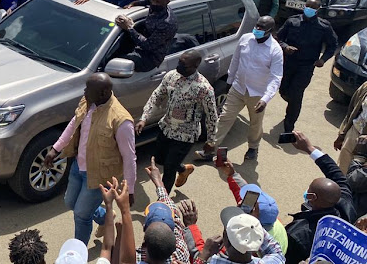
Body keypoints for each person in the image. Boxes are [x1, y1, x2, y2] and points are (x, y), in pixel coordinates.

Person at [43, 73, 136, 245]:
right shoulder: (87, 102)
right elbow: (73, 124)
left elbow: (129, 157)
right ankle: (105, 217)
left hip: (99, 177)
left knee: (81, 215)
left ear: (103, 93)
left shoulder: (121, 121)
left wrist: (129, 190)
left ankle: (79, 252)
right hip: (78, 167)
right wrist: (55, 149)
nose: (84, 91)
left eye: (88, 89)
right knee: (70, 203)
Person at [197, 16, 283, 162]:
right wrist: (230, 81)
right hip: (238, 88)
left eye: (262, 28)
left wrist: (265, 99)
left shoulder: (275, 50)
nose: (258, 30)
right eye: (257, 26)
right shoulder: (245, 39)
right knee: (224, 118)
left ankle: (253, 147)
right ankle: (211, 148)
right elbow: (235, 61)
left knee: (255, 123)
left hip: (257, 94)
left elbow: (276, 77)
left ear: (270, 31)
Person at [136, 50, 218, 191]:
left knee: (169, 169)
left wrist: (211, 141)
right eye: (179, 62)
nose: (179, 66)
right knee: (159, 159)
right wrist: (144, 117)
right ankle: (183, 169)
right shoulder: (171, 76)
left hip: (185, 135)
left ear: (195, 66)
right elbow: (157, 95)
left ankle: (163, 204)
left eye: (183, 65)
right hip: (166, 128)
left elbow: (212, 116)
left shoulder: (204, 88)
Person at [285, 131, 357, 263]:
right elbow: (334, 171)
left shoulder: (298, 234)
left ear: (311, 197)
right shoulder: (346, 206)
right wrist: (310, 148)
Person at [277, 0, 337, 133]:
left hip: (306, 66)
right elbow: (279, 37)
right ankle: (291, 102)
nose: (309, 9)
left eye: (313, 8)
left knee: (296, 94)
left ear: (318, 10)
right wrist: (285, 46)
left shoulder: (324, 26)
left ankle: (288, 127)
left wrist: (323, 59)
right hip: (288, 63)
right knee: (284, 90)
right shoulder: (292, 21)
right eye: (308, 6)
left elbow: (333, 45)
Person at [220, 162, 289, 252]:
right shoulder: (272, 218)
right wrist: (232, 174)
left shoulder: (249, 244)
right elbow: (243, 193)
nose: (241, 201)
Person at [114, 0, 177, 72]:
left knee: (115, 61)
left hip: (150, 58)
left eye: (158, 2)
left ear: (167, 2)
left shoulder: (166, 23)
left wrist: (129, 28)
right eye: (153, 0)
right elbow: (147, 1)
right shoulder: (155, 2)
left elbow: (148, 45)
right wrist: (134, 3)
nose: (154, 4)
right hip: (139, 45)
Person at [195, 206, 284, 264]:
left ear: (226, 240)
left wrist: (204, 254)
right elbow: (277, 252)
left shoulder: (213, 261)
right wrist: (252, 225)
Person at [335, 81, 367, 172]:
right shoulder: (365, 86)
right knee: (342, 170)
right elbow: (352, 111)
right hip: (355, 131)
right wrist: (342, 134)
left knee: (361, 178)